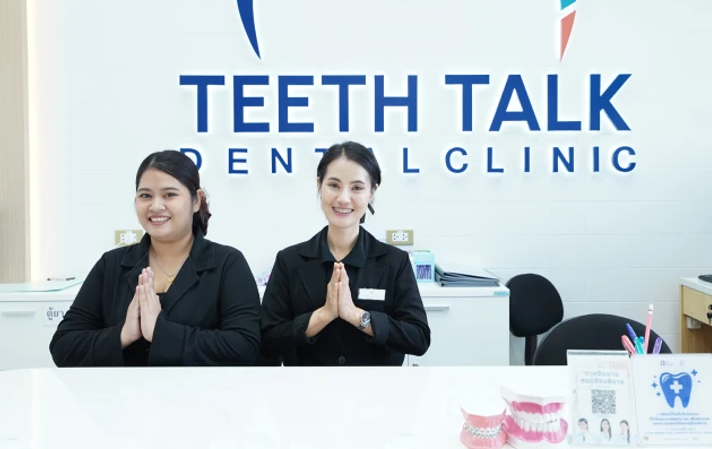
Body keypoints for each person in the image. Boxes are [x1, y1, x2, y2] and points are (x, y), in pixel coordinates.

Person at [50, 150, 261, 366]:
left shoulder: (227, 263)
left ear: (196, 201)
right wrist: (123, 334)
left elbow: (246, 348)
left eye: (169, 195)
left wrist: (162, 333)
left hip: (199, 389)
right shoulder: (111, 264)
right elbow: (63, 347)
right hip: (121, 389)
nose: (156, 206)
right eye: (145, 196)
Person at [261, 141, 430, 366]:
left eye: (357, 188)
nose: (343, 198)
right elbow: (268, 339)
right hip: (307, 387)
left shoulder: (395, 262)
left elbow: (418, 338)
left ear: (372, 192)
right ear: (319, 185)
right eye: (334, 185)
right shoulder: (289, 261)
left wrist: (356, 316)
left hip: (378, 387)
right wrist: (323, 315)